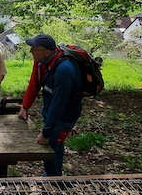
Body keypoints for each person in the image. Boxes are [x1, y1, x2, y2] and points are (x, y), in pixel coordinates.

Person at [18, 34, 83, 177]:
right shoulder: (41, 61)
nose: (31, 52)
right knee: (49, 143)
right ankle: (51, 174)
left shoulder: (64, 70)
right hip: (50, 110)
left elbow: (59, 105)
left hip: (65, 115)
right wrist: (25, 106)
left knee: (54, 144)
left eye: (35, 49)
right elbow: (34, 83)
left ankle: (54, 177)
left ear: (47, 51)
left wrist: (46, 132)